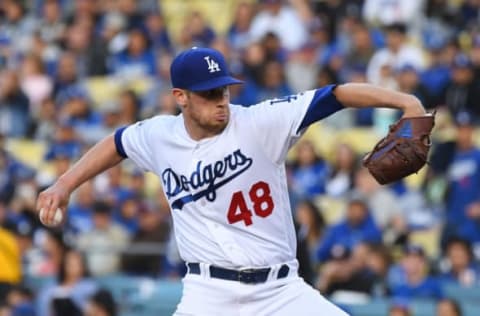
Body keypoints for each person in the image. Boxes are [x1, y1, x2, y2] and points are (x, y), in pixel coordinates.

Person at [36, 47, 426, 315]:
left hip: (280, 292)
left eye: (223, 89)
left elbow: (336, 95)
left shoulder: (260, 123)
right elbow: (117, 143)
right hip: (209, 294)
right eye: (208, 94)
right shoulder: (159, 136)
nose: (221, 99)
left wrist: (404, 101)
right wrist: (64, 184)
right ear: (180, 97)